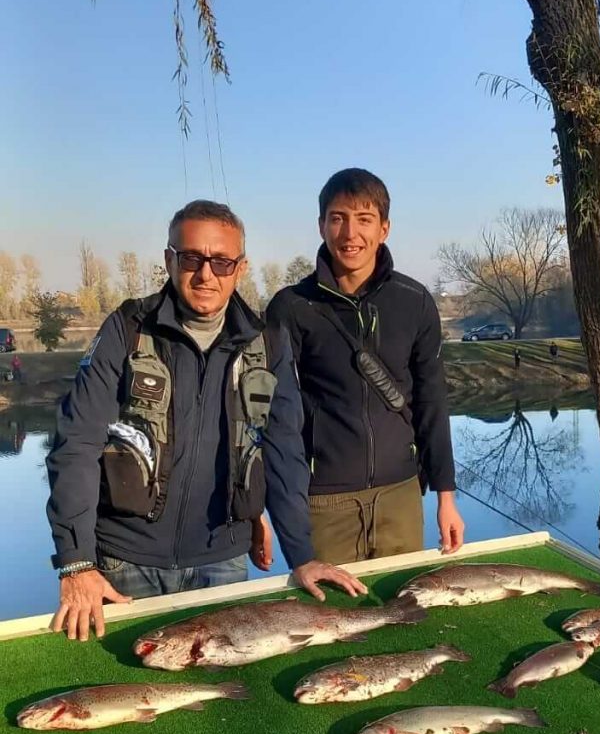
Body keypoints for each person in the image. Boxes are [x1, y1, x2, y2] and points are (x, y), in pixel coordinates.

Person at [46, 199, 365, 641]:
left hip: (223, 560)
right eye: (192, 258)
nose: (206, 274)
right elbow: (75, 444)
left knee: (217, 695)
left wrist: (303, 555)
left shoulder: (268, 342)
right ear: (169, 259)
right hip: (124, 561)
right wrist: (76, 561)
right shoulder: (127, 329)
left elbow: (285, 451)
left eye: (221, 261)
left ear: (241, 267)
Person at [267, 167, 465, 564]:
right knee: (330, 621)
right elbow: (272, 421)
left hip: (401, 494)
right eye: (338, 218)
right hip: (323, 501)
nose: (350, 233)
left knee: (401, 611)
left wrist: (446, 496)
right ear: (322, 225)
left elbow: (431, 401)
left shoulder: (415, 301)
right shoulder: (290, 308)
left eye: (364, 219)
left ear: (384, 228)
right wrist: (264, 509)